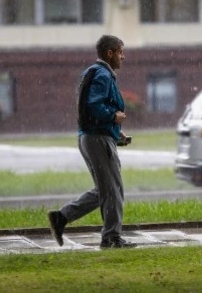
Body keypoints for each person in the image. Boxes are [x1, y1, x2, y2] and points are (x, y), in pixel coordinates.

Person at [47, 35, 137, 249]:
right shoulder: (103, 75)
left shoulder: (92, 72)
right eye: (120, 52)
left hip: (90, 136)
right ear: (110, 53)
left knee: (105, 190)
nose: (123, 57)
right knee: (113, 190)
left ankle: (61, 218)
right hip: (97, 139)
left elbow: (90, 107)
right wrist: (113, 117)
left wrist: (115, 131)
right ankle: (111, 238)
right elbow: (94, 106)